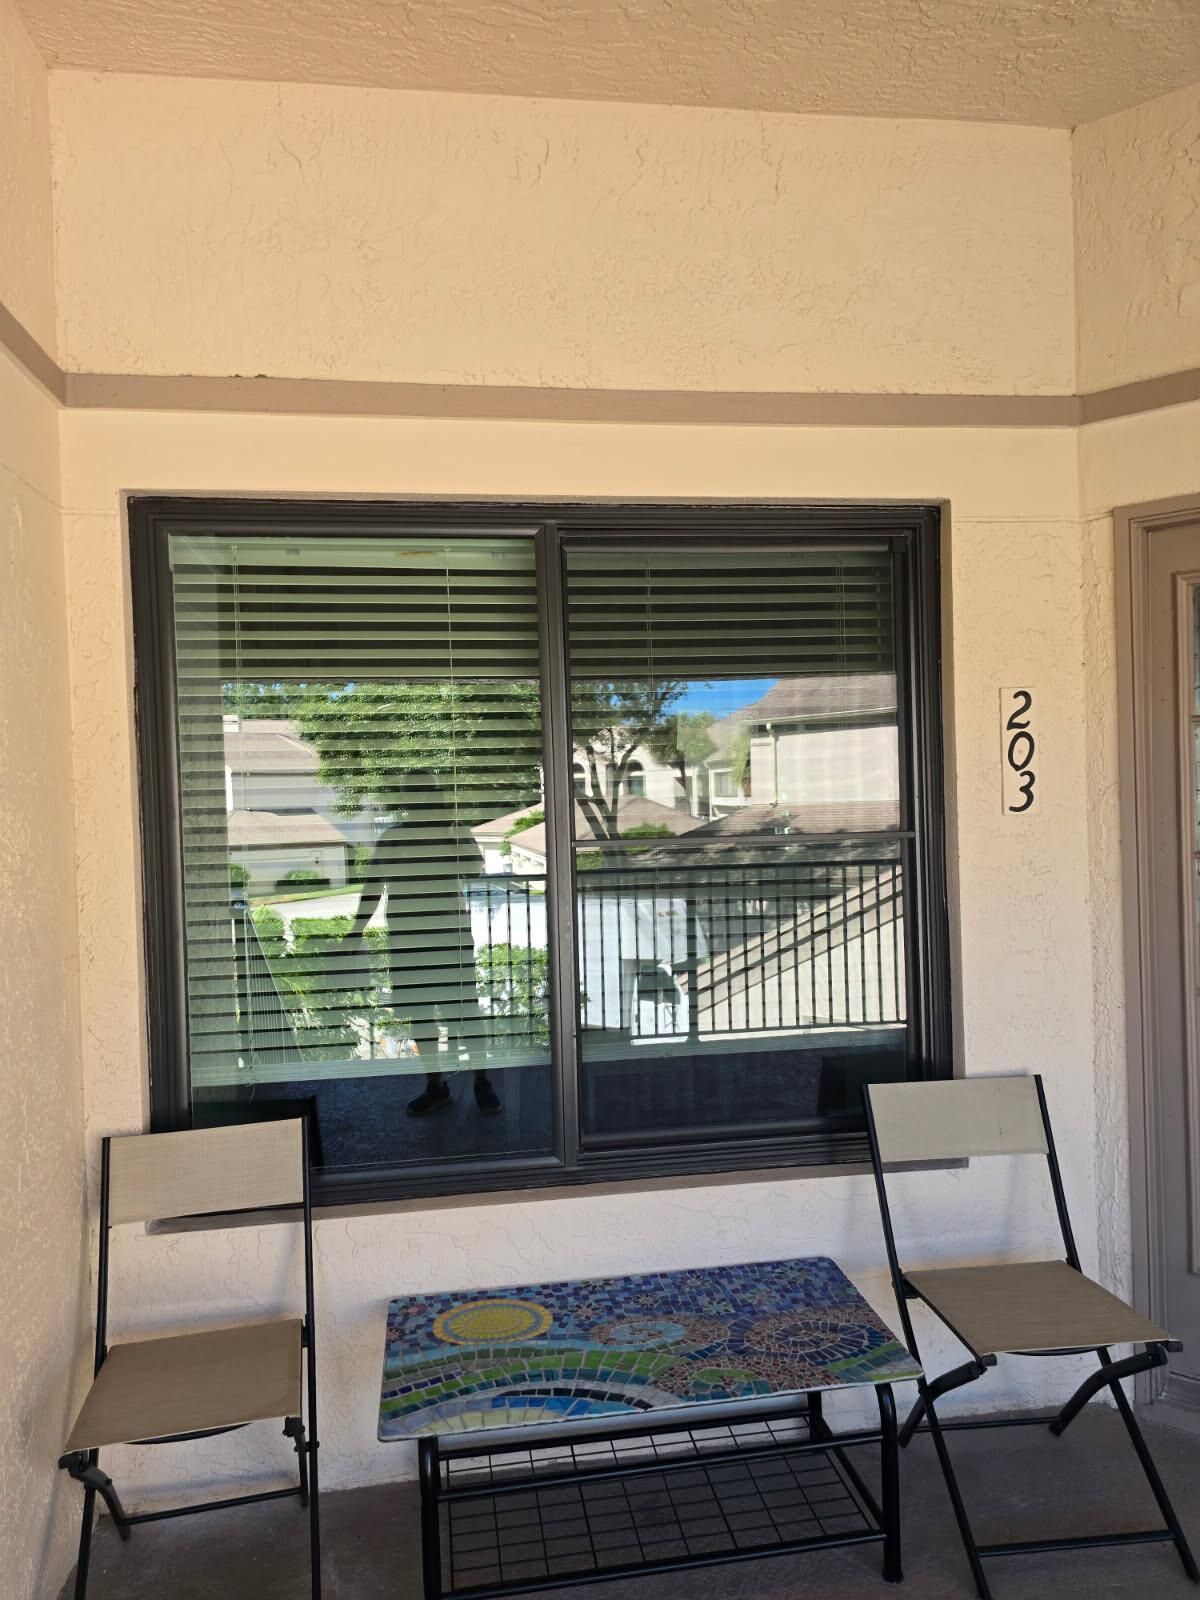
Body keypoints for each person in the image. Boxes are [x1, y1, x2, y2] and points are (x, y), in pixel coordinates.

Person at [349, 775, 501, 1117]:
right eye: (411, 795)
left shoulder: (452, 830)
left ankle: (481, 1082)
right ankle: (436, 1087)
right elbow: (373, 886)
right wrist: (356, 930)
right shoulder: (393, 838)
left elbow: (475, 871)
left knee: (464, 1013)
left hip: (448, 938)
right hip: (408, 942)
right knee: (421, 1015)